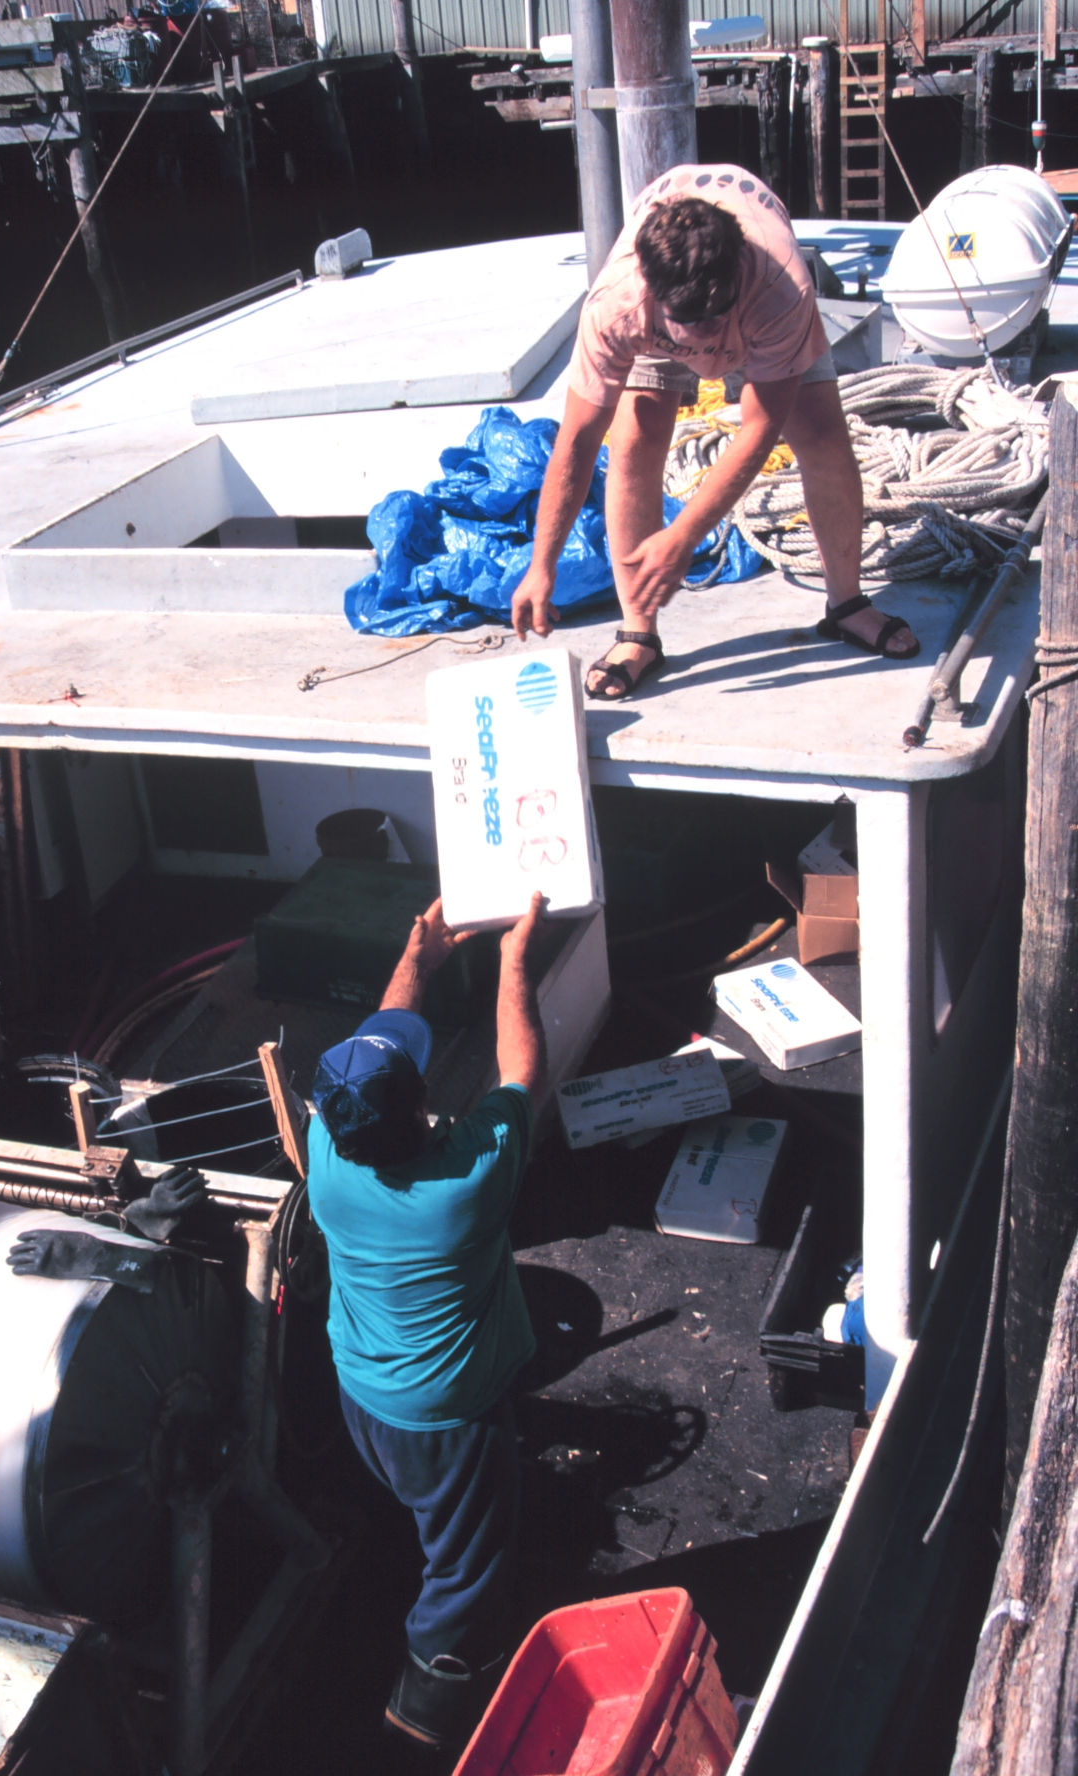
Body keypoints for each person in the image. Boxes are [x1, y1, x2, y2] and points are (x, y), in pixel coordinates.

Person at [510, 163, 920, 700]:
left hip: (759, 309)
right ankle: (638, 632)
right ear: (654, 293)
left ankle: (846, 603)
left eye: (715, 314)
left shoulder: (779, 285)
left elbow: (760, 426)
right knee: (635, 438)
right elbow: (579, 439)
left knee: (821, 434)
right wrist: (542, 565)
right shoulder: (617, 305)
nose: (708, 335)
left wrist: (683, 537)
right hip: (657, 322)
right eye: (691, 320)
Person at [307, 892, 548, 1751]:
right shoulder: (465, 1185)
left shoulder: (326, 1149)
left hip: (358, 1390)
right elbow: (522, 1068)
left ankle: (386, 1566)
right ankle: (427, 1708)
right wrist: (515, 959)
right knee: (468, 1568)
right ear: (418, 1113)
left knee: (402, 1504)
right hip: (444, 1423)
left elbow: (380, 1033)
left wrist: (421, 955)